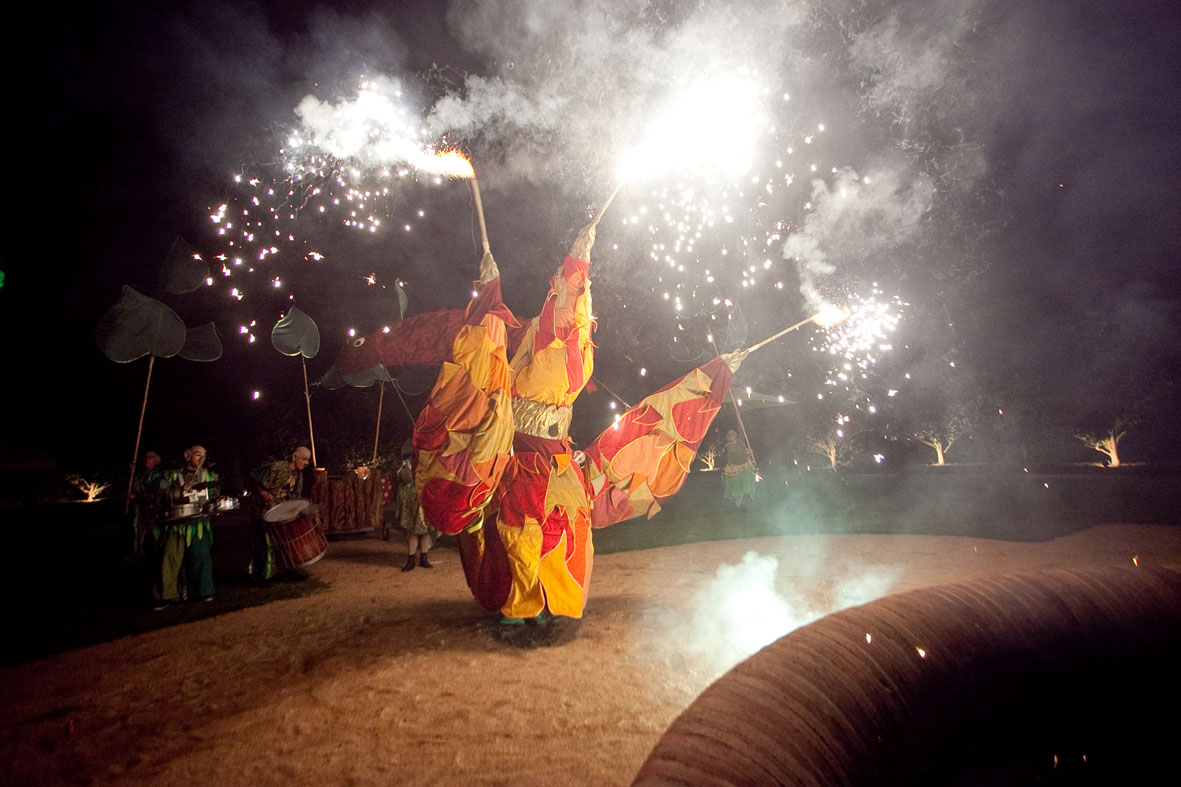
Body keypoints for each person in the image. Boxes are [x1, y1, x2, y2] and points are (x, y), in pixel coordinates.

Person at [158, 445, 218, 606]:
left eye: (204, 456)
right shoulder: (173, 475)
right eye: (198, 455)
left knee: (200, 557)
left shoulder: (208, 475)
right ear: (187, 455)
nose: (201, 459)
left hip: (198, 522)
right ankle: (166, 595)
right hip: (177, 523)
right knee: (170, 557)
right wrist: (179, 491)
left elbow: (213, 496)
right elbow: (162, 495)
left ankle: (202, 591)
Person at [249, 446, 310, 582]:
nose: (306, 463)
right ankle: (263, 575)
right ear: (295, 457)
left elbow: (295, 495)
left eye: (307, 460)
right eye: (304, 459)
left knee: (283, 540)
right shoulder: (277, 467)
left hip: (281, 511)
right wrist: (264, 494)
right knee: (265, 542)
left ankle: (285, 571)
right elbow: (254, 478)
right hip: (264, 510)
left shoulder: (298, 475)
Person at [396, 459, 432, 571]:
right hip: (411, 502)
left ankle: (423, 558)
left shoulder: (428, 460)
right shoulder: (406, 463)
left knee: (426, 530)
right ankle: (411, 559)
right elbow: (404, 478)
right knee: (412, 530)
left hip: (424, 499)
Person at [128, 450, 163, 564]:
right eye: (146, 458)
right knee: (137, 534)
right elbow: (131, 487)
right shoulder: (140, 475)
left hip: (152, 512)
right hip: (139, 511)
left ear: (156, 461)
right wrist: (131, 472)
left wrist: (137, 497)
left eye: (150, 458)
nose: (147, 460)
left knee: (154, 537)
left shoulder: (158, 476)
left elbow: (154, 495)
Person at [722, 429, 756, 509]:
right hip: (733, 468)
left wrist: (749, 452)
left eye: (733, 434)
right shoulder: (727, 446)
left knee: (747, 481)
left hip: (744, 466)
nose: (732, 436)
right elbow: (731, 457)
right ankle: (734, 504)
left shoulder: (740, 443)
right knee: (736, 486)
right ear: (728, 437)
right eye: (730, 435)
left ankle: (745, 502)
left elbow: (744, 452)